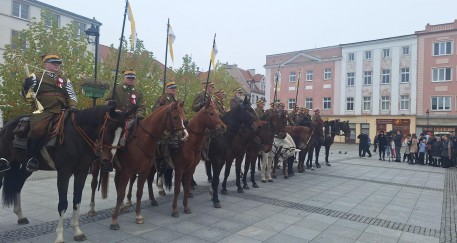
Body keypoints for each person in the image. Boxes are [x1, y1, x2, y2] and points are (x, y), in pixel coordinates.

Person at [22, 54, 78, 172]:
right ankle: (31, 158)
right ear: (45, 64)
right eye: (53, 62)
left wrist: (73, 105)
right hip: (44, 109)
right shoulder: (35, 76)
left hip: (63, 109)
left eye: (57, 63)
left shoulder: (64, 79)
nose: (56, 65)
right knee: (37, 128)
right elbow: (28, 97)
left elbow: (71, 95)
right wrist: (26, 88)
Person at [105, 69, 146, 172]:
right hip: (118, 117)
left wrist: (139, 115)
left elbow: (141, 106)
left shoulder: (138, 92)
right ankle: (109, 159)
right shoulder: (116, 88)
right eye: (128, 77)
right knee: (116, 134)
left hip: (132, 117)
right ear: (124, 78)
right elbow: (108, 101)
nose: (130, 80)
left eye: (132, 78)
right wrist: (112, 108)